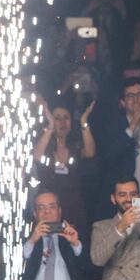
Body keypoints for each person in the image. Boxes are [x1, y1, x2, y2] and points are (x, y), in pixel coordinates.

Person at [97, 78, 140, 216]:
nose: (136, 100)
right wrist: (133, 125)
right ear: (122, 102)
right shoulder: (112, 127)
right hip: (125, 197)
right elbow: (110, 156)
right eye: (130, 96)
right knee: (131, 233)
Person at [32, 99, 96, 233]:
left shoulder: (75, 147)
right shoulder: (45, 148)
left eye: (66, 118)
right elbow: (36, 157)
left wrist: (84, 122)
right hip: (49, 209)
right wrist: (50, 127)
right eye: (57, 118)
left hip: (74, 208)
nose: (62, 122)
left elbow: (90, 152)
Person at [21, 190, 89, 280]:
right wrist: (32, 240)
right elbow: (17, 265)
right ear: (35, 213)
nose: (47, 211)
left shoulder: (74, 234)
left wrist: (75, 244)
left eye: (52, 207)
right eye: (41, 208)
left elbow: (89, 267)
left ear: (59, 211)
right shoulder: (25, 236)